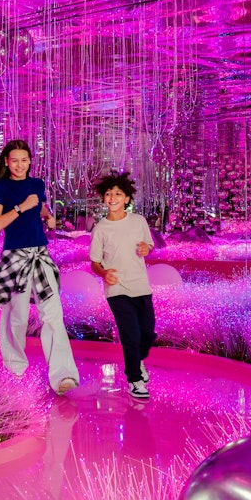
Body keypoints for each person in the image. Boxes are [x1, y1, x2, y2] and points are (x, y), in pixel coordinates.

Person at [0, 140, 79, 395]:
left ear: (29, 161)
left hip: (41, 255)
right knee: (16, 317)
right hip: (15, 257)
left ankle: (63, 376)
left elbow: (41, 207)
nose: (19, 164)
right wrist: (20, 207)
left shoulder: (37, 185)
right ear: (6, 161)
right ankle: (15, 369)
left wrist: (48, 216)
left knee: (53, 315)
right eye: (14, 160)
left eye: (24, 160)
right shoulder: (1, 187)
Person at [89, 171, 156, 400]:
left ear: (127, 198)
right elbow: (94, 263)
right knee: (131, 334)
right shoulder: (101, 229)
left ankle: (138, 361)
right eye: (108, 193)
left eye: (118, 193)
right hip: (116, 290)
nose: (113, 197)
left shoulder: (139, 221)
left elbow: (149, 244)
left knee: (148, 333)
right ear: (103, 198)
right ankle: (135, 379)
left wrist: (148, 249)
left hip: (141, 287)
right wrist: (104, 273)